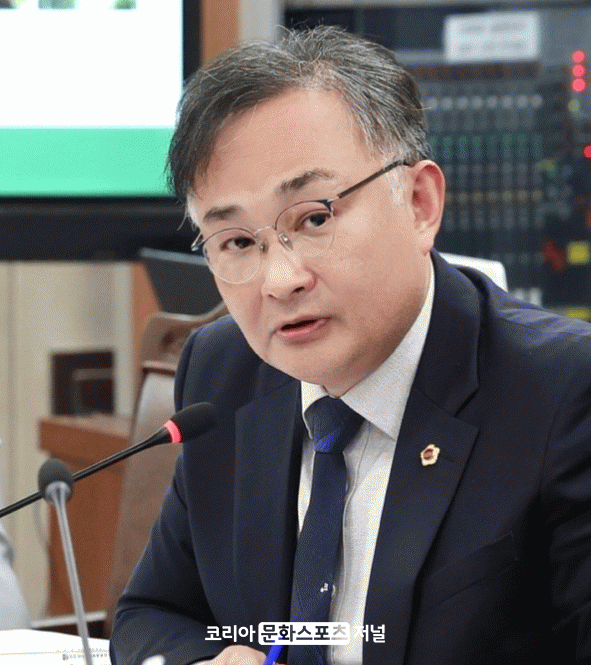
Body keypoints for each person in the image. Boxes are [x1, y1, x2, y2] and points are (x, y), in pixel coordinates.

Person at [110, 26, 591, 665]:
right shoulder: (224, 371)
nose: (280, 279)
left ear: (419, 203)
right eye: (238, 242)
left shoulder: (562, 392)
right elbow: (153, 614)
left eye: (315, 218)